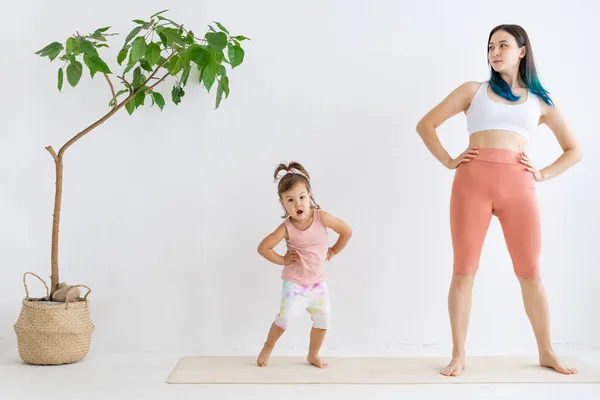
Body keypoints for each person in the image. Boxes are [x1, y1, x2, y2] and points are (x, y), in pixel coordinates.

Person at [416, 24, 582, 377]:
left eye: (503, 45)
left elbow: (574, 150)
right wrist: (448, 160)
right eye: (491, 46)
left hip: (519, 187)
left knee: (531, 273)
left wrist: (543, 173)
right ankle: (458, 354)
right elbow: (426, 124)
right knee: (463, 271)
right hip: (471, 184)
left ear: (522, 51)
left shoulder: (541, 101)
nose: (495, 51)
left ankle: (546, 351)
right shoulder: (471, 91)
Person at [256, 162, 352, 368]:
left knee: (323, 321)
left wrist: (333, 250)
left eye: (301, 197)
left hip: (318, 284)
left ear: (309, 195)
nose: (297, 204)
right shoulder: (286, 228)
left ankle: (313, 354)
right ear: (283, 204)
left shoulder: (321, 217)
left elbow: (346, 231)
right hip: (295, 284)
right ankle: (268, 346)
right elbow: (263, 247)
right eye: (290, 200)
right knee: (285, 320)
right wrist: (282, 259)